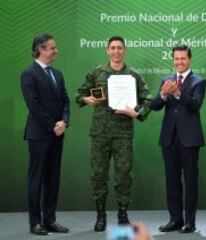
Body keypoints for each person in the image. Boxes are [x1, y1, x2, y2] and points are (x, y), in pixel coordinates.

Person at [76, 36, 152, 232]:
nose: (116, 51)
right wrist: (87, 99)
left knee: (124, 175)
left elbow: (148, 100)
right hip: (100, 133)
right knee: (98, 175)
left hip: (123, 134)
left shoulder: (133, 75)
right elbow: (79, 95)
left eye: (120, 48)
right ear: (107, 51)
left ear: (124, 51)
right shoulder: (97, 72)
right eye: (113, 48)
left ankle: (122, 214)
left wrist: (136, 113)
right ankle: (100, 216)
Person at [151, 45, 206, 233]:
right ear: (172, 60)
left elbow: (195, 105)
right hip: (169, 139)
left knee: (190, 181)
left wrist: (177, 93)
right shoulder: (166, 80)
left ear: (189, 60)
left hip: (189, 140)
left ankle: (190, 222)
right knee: (172, 180)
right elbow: (155, 106)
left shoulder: (199, 81)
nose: (179, 62)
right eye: (176, 59)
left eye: (183, 59)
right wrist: (163, 94)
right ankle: (175, 219)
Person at [20, 34, 70, 235]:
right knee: (36, 179)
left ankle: (50, 220)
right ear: (41, 49)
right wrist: (53, 125)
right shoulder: (28, 74)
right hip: (39, 135)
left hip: (57, 134)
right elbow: (34, 105)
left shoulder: (57, 74)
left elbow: (65, 100)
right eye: (52, 48)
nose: (56, 50)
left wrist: (64, 121)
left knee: (53, 178)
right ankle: (35, 223)